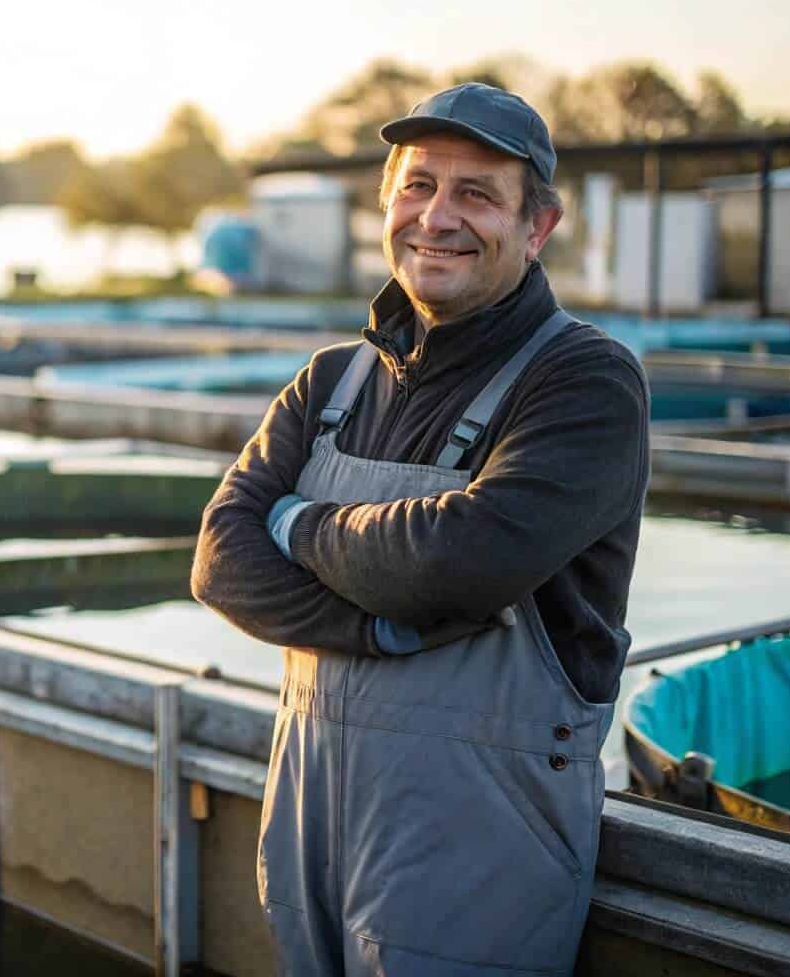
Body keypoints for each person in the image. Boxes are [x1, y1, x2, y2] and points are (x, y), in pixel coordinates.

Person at [191, 83, 649, 976]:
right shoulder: (329, 382)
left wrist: (295, 521)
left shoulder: (584, 382)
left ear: (538, 227)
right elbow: (219, 562)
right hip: (307, 823)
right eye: (418, 186)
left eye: (477, 194)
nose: (438, 217)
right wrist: (378, 628)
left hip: (481, 846)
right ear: (387, 206)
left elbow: (457, 562)